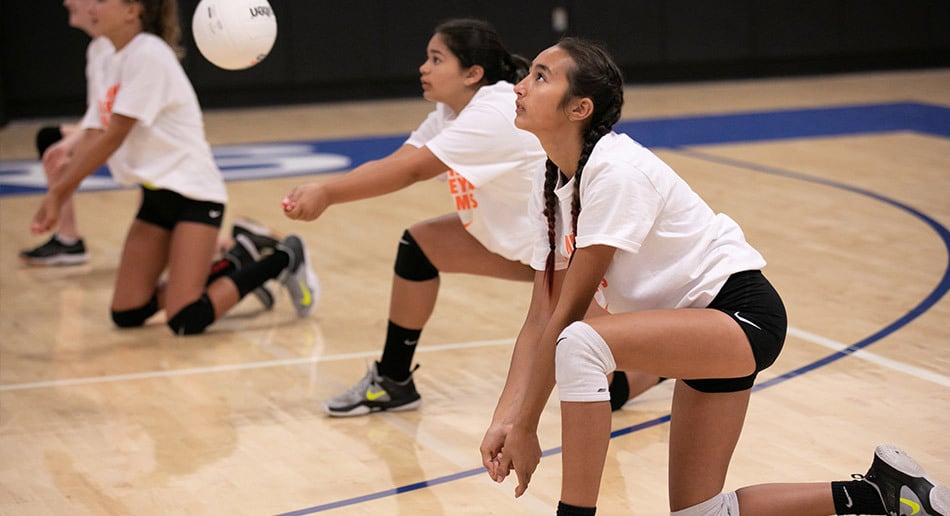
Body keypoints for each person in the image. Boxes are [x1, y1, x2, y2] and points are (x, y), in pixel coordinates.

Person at [479, 38, 949, 515]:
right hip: (696, 330)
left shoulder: (616, 171)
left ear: (579, 107)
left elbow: (566, 315)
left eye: (541, 76)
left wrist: (528, 423)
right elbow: (539, 316)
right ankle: (881, 495)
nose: (520, 86)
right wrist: (507, 418)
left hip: (741, 316)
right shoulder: (555, 184)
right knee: (699, 513)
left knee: (580, 343)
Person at [282, 19, 663, 417]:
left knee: (602, 380)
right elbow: (401, 160)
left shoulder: (493, 112)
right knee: (420, 247)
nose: (423, 68)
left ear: (472, 74)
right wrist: (325, 189)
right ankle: (394, 380)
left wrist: (326, 194)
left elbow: (412, 170)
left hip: (566, 253)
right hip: (519, 244)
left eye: (436, 59)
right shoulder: (450, 112)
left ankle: (663, 368)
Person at [30, 0, 319, 336]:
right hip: (156, 197)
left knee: (185, 318)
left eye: (103, 0)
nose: (90, 5)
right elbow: (94, 132)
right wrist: (62, 172)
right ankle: (242, 254)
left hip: (195, 194)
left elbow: (112, 137)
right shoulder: (105, 55)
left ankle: (285, 258)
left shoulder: (149, 54)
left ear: (132, 11)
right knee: (127, 313)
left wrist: (57, 193)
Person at [19, 0, 114, 266]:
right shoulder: (97, 49)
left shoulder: (117, 49)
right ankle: (68, 240)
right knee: (51, 139)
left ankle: (221, 245)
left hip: (131, 140)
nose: (67, 2)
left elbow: (114, 120)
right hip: (113, 133)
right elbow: (98, 112)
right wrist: (70, 144)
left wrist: (75, 147)